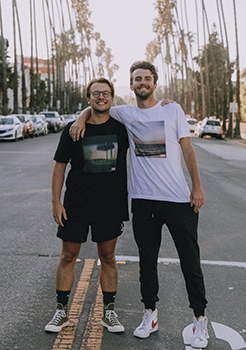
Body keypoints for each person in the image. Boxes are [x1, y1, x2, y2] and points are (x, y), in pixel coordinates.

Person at [69, 61, 208, 349]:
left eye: (147, 78)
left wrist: (196, 186)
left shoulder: (172, 110)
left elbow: (187, 148)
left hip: (178, 200)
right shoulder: (125, 113)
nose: (142, 83)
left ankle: (200, 321)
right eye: (137, 79)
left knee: (190, 263)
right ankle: (150, 315)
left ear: (155, 83)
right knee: (147, 261)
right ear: (131, 85)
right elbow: (97, 106)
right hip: (144, 201)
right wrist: (81, 118)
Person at [45, 78, 129, 334]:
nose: (101, 97)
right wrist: (56, 202)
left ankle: (109, 312)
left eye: (105, 93)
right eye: (95, 94)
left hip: (110, 205)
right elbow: (59, 167)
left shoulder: (122, 128)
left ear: (112, 99)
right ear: (88, 98)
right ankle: (61, 311)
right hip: (76, 204)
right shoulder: (72, 129)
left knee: (108, 258)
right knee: (68, 256)